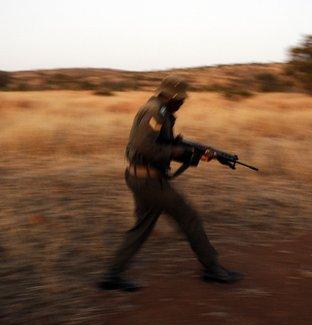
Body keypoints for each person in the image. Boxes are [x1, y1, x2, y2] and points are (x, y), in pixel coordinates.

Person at [99, 76, 243, 292]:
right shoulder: (155, 112)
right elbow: (145, 148)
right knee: (189, 217)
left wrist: (197, 154)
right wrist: (183, 151)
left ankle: (112, 274)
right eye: (181, 99)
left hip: (142, 177)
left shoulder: (161, 110)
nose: (183, 103)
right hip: (148, 180)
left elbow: (162, 146)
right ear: (172, 97)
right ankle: (212, 268)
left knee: (142, 227)